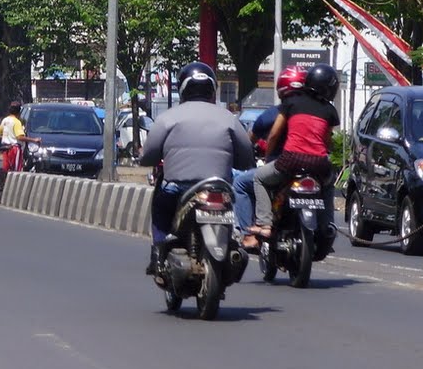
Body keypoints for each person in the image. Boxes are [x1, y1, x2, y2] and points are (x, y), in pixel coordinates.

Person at [139, 61, 254, 276]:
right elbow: (247, 156)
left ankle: (157, 253)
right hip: (219, 187)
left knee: (160, 207)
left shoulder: (168, 118)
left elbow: (147, 156)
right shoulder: (229, 118)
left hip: (178, 188)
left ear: (182, 89)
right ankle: (236, 240)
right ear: (212, 89)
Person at [250, 62, 340, 240]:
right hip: (319, 165)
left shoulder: (291, 103)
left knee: (259, 178)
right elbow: (327, 141)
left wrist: (268, 157)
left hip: (290, 161)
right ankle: (327, 224)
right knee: (328, 185)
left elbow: (274, 134)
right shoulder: (330, 110)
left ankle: (265, 223)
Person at [235, 65, 308, 251]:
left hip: (283, 165)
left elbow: (254, 139)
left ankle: (250, 233)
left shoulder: (276, 113)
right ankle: (327, 225)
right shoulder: (317, 111)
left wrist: (266, 156)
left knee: (242, 184)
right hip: (313, 165)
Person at [0, 101, 39, 173]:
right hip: (14, 149)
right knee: (16, 171)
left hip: (5, 149)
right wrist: (34, 140)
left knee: (6, 170)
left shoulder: (5, 120)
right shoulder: (16, 122)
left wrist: (7, 138)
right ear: (19, 112)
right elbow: (20, 137)